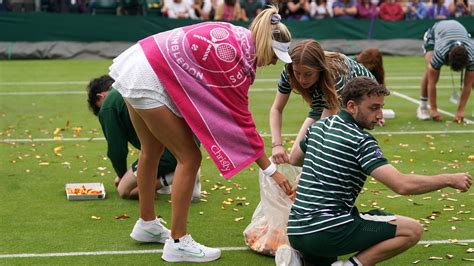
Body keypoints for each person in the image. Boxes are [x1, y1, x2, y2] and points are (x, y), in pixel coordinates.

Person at [108, 5, 293, 262]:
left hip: (139, 61)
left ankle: (147, 224)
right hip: (149, 75)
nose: (273, 62)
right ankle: (178, 242)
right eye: (275, 55)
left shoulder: (237, 34)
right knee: (190, 157)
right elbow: (239, 122)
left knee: (151, 149)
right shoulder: (234, 61)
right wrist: (271, 171)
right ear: (264, 44)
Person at [278, 76, 472, 266]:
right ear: (352, 106)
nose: (380, 116)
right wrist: (448, 179)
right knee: (412, 230)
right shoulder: (361, 140)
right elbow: (402, 185)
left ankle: (300, 259)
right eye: (373, 108)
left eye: (381, 107)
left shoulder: (319, 127)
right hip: (329, 231)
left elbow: (295, 159)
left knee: (359, 224)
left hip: (296, 231)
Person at [86, 75, 202, 201]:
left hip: (167, 152)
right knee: (150, 156)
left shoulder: (109, 105)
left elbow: (117, 151)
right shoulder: (134, 84)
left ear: (101, 96)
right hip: (191, 144)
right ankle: (184, 173)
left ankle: (176, 175)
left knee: (125, 190)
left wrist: (122, 175)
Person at [270, 39, 376, 165]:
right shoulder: (288, 71)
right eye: (297, 73)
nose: (302, 80)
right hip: (325, 97)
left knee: (334, 151)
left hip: (362, 95)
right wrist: (276, 145)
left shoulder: (335, 75)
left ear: (320, 69)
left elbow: (323, 130)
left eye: (308, 74)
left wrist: (310, 171)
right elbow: (276, 109)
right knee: (295, 159)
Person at [417, 20, 474, 122]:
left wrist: (460, 111)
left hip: (458, 31)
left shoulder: (472, 55)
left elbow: (467, 85)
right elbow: (432, 83)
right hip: (435, 34)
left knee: (472, 78)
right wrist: (434, 110)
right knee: (430, 72)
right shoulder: (440, 52)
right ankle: (423, 107)